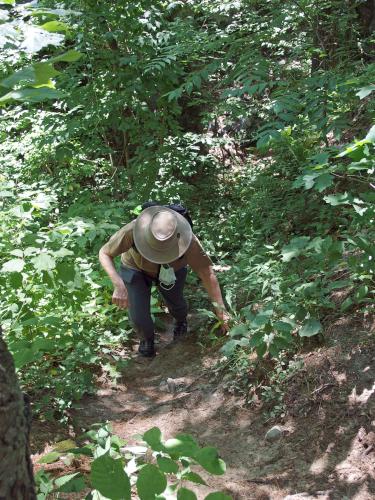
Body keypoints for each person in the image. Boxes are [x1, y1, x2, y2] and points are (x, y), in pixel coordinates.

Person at [99, 205, 230, 357]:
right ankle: (146, 340)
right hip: (135, 268)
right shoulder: (132, 230)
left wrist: (221, 312)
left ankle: (181, 321)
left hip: (173, 270)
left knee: (176, 304)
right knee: (138, 315)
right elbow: (104, 252)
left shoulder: (189, 239)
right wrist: (118, 284)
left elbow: (207, 273)